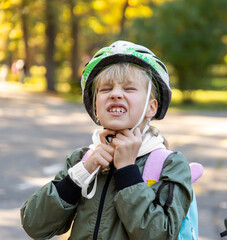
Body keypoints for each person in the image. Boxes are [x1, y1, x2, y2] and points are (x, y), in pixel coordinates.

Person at [20, 41, 193, 239]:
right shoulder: (82, 160)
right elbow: (34, 224)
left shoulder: (170, 165)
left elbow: (161, 234)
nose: (115, 94)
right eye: (105, 89)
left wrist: (128, 171)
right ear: (95, 107)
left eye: (129, 89)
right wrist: (81, 174)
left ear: (151, 107)